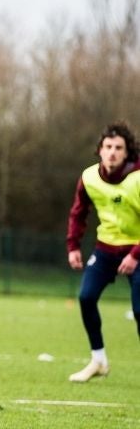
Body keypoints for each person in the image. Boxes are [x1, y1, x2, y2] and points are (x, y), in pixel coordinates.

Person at [66, 121, 140, 382]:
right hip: (106, 248)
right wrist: (73, 245)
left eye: (118, 148)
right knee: (86, 297)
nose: (112, 152)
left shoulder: (138, 177)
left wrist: (134, 255)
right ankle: (98, 360)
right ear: (99, 150)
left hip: (138, 249)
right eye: (107, 147)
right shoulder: (89, 178)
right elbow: (78, 213)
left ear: (127, 152)